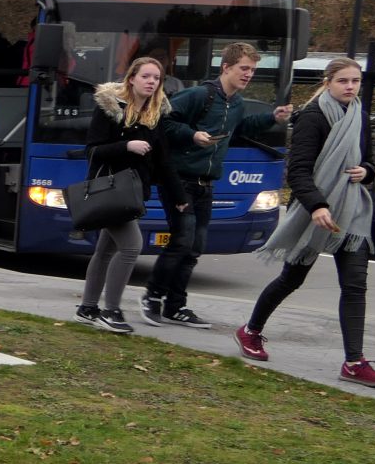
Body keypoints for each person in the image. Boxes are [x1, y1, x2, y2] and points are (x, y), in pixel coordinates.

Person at [236, 59, 375, 388]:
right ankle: (250, 330)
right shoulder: (312, 117)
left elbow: (369, 161)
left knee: (354, 285)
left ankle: (354, 362)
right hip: (313, 213)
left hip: (352, 213)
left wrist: (367, 172)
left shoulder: (359, 116)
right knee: (291, 279)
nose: (350, 86)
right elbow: (299, 171)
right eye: (343, 81)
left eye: (355, 81)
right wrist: (317, 205)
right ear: (327, 82)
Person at [142, 42, 293, 327]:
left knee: (195, 247)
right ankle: (152, 296)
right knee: (182, 240)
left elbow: (238, 131)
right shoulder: (200, 95)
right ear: (226, 67)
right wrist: (192, 135)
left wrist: (271, 118)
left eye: (252, 70)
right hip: (180, 181)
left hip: (206, 184)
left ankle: (175, 306)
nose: (248, 75)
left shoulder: (235, 102)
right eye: (243, 69)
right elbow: (162, 122)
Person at [75, 56, 184, 334]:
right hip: (112, 192)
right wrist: (127, 145)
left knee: (105, 251)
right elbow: (92, 150)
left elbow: (165, 161)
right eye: (146, 76)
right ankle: (111, 310)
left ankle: (88, 308)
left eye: (156, 78)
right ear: (132, 79)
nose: (151, 82)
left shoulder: (155, 113)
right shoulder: (111, 108)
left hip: (134, 193)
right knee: (132, 247)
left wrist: (179, 196)